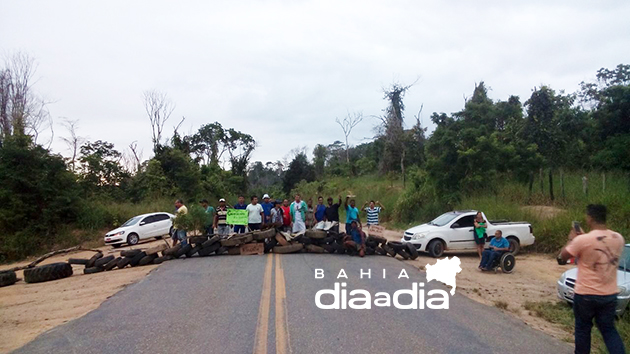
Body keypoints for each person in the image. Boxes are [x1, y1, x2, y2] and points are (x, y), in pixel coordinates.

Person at [559, 204, 625, 354]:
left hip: (586, 294)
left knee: (583, 329)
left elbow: (562, 256)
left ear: (589, 218)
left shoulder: (583, 240)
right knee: (609, 330)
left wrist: (572, 239)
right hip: (609, 294)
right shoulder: (618, 238)